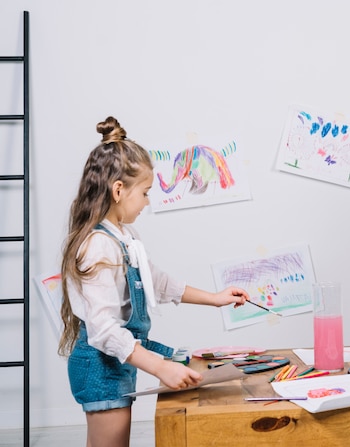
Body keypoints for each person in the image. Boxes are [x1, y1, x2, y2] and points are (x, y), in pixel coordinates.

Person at [58, 116, 250, 446]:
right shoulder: (98, 246)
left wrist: (216, 298)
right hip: (101, 367)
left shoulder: (124, 237)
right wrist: (160, 368)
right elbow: (104, 331)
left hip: (118, 361)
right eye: (145, 193)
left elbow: (158, 283)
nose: (148, 202)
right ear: (119, 190)